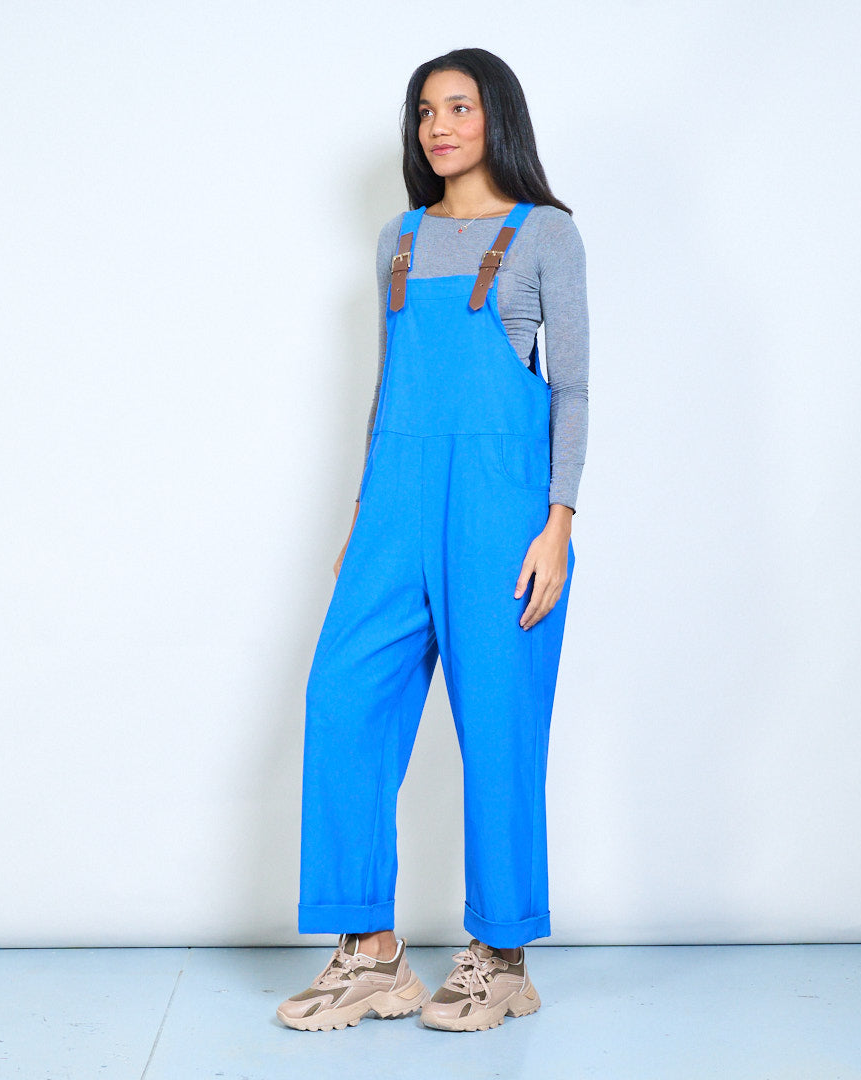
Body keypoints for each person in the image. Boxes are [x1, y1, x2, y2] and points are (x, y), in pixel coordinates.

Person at [276, 47, 588, 1033]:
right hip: (394, 507)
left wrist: (559, 524)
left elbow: (573, 388)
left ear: (498, 117)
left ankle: (503, 960)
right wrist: (363, 517)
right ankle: (372, 957)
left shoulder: (546, 234)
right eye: (424, 111)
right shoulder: (399, 240)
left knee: (498, 726)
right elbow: (387, 389)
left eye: (458, 107)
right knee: (341, 699)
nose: (438, 126)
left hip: (503, 514)